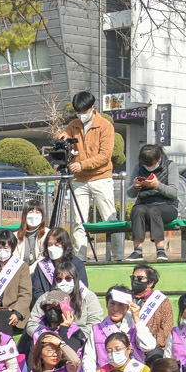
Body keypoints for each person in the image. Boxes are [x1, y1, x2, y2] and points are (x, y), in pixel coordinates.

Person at [56, 91, 116, 252]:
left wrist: (82, 165)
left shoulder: (105, 126)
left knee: (110, 219)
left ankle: (117, 254)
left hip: (101, 177)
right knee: (78, 221)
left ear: (93, 107)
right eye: (78, 112)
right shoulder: (73, 125)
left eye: (84, 111)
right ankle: (80, 256)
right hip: (79, 180)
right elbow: (62, 138)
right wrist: (62, 135)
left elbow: (105, 156)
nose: (81, 115)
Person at [128, 144, 180, 262]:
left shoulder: (170, 166)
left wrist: (157, 185)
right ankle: (137, 251)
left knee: (153, 211)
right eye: (146, 165)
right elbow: (130, 194)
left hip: (167, 206)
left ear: (158, 158)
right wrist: (135, 187)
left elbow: (173, 193)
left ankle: (160, 250)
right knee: (137, 210)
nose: (149, 167)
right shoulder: (138, 167)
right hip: (144, 204)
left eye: (151, 164)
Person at [129, 264, 174, 356]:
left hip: (152, 349)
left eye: (140, 278)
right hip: (127, 346)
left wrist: (148, 342)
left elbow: (166, 330)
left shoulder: (162, 301)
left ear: (150, 283)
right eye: (133, 278)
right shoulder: (127, 298)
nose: (135, 281)